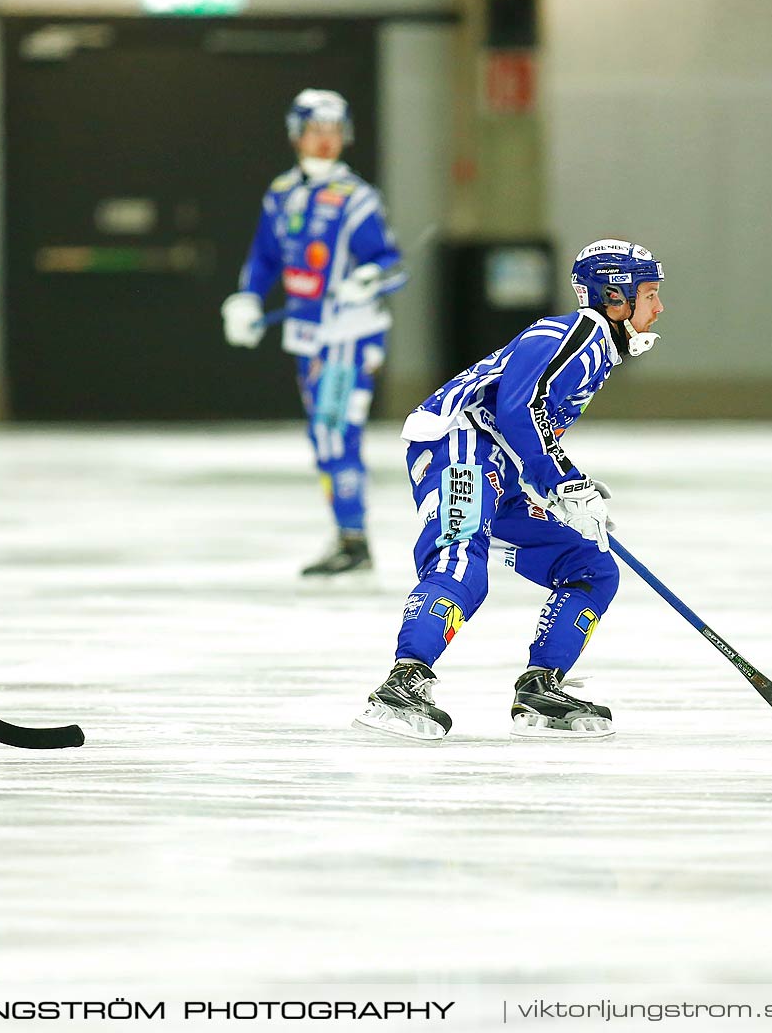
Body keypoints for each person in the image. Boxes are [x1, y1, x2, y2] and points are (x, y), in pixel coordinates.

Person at [354, 240, 666, 741]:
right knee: (460, 560)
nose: (659, 307)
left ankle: (541, 686)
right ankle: (403, 682)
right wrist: (560, 479)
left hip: (502, 465)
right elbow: (517, 410)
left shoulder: (598, 350)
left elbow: (532, 423)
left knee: (591, 567)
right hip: (462, 444)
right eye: (649, 294)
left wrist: (569, 486)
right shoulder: (579, 332)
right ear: (615, 296)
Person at [220, 89, 406, 578]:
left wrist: (364, 280)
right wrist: (247, 297)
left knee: (335, 431)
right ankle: (348, 534)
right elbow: (264, 256)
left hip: (349, 335)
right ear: (295, 134)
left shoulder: (358, 199)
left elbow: (389, 263)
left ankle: (354, 539)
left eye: (333, 131)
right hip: (306, 334)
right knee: (322, 435)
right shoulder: (281, 192)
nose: (325, 141)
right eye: (314, 131)